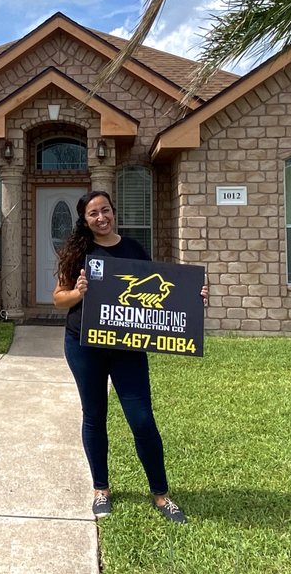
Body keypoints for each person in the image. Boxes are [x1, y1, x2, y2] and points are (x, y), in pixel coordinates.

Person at [53, 190, 207, 525]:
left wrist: (193, 297)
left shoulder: (133, 249)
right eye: (93, 214)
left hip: (127, 347)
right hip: (84, 345)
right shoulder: (78, 252)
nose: (101, 218)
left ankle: (162, 495)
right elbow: (58, 299)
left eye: (105, 210)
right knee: (94, 416)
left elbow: (163, 293)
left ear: (113, 211)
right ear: (84, 219)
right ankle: (101, 490)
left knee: (141, 419)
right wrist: (78, 293)